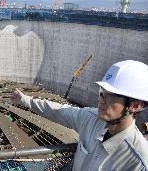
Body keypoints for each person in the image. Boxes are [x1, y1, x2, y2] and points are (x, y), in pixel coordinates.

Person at [12, 60, 148, 171]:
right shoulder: (90, 118)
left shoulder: (139, 162)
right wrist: (25, 100)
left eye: (111, 95)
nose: (101, 99)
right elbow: (58, 111)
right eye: (102, 92)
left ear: (136, 105)